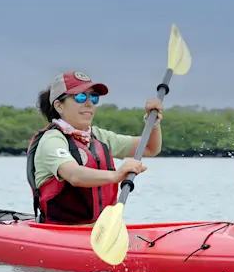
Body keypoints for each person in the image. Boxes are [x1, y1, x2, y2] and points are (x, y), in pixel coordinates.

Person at [26, 71, 163, 225]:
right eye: (80, 97)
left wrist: (154, 123)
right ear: (59, 106)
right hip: (62, 230)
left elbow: (151, 148)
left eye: (93, 97)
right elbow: (74, 175)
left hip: (101, 230)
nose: (89, 103)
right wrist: (116, 175)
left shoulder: (99, 136)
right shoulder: (52, 140)